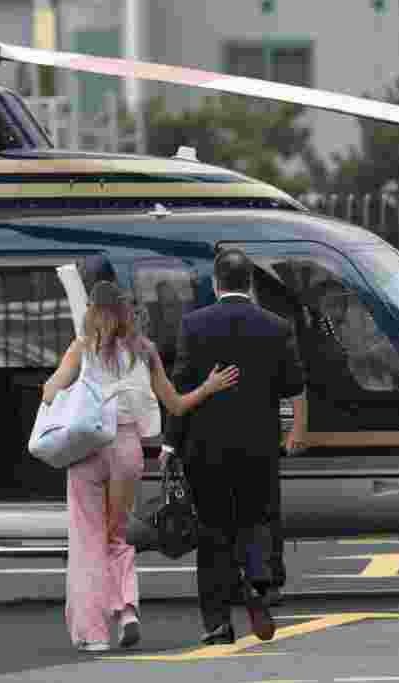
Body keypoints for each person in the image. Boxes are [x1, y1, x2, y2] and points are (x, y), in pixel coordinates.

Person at [42, 281, 239, 653]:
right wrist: (210, 386)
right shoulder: (145, 351)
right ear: (126, 312)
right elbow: (177, 406)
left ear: (93, 312)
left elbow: (50, 390)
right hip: (127, 450)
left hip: (87, 448)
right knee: (119, 535)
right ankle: (127, 610)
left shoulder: (82, 348)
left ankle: (94, 634)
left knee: (87, 542)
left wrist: (65, 395)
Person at [159, 247, 306, 645]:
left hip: (204, 448)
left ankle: (218, 623)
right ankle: (258, 587)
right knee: (255, 521)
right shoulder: (276, 326)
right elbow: (295, 388)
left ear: (216, 283)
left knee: (211, 534)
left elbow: (182, 387)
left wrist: (171, 445)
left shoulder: (194, 325)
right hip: (258, 446)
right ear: (251, 284)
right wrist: (296, 433)